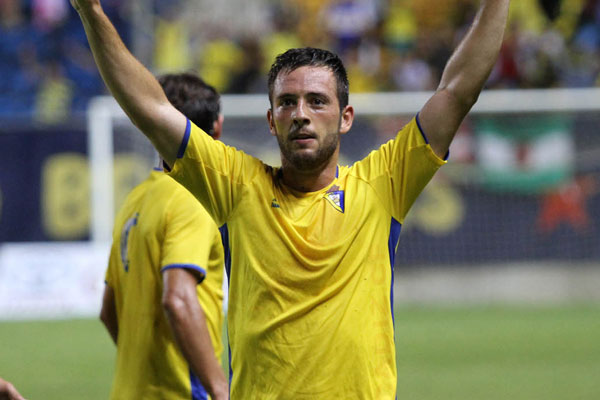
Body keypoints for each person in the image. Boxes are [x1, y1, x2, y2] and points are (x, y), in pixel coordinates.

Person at [72, 0, 510, 397]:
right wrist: (91, 10)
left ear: (346, 118)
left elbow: (457, 90)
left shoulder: (382, 184)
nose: (300, 113)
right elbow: (151, 107)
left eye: (317, 101)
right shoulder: (238, 186)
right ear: (270, 119)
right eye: (287, 102)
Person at [99, 72, 228, 400]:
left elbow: (108, 310)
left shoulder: (135, 199)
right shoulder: (193, 198)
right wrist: (219, 389)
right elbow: (178, 298)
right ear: (217, 128)